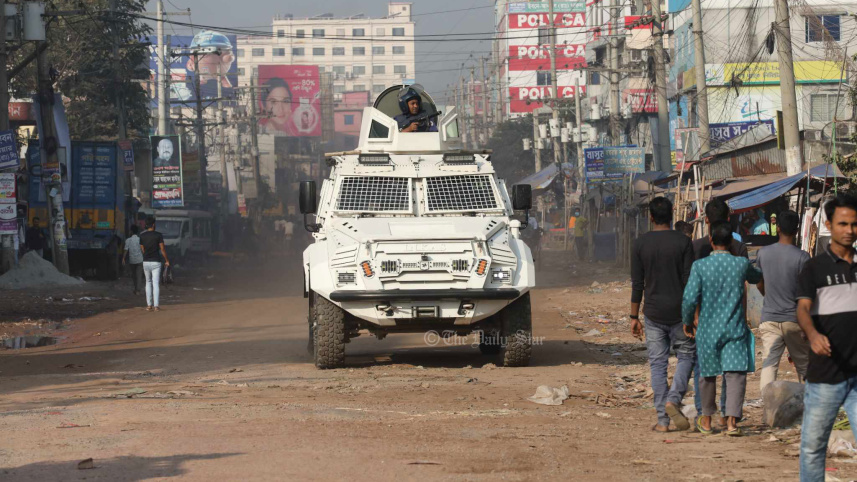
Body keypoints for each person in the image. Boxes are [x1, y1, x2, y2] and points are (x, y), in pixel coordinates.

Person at [796, 195, 857, 482]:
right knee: (812, 448)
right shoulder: (815, 268)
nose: (849, 230)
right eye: (842, 223)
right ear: (829, 225)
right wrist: (813, 334)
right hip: (826, 376)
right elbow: (803, 309)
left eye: (854, 224)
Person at [682, 221, 762, 436]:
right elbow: (757, 276)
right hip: (735, 328)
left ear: (710, 241)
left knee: (707, 375)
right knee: (735, 374)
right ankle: (731, 423)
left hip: (707, 330)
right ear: (731, 243)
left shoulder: (700, 266)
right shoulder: (740, 264)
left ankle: (707, 421)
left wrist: (688, 321)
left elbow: (690, 298)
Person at [630, 197, 696, 432]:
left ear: (651, 217)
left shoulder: (640, 244)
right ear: (672, 215)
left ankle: (662, 421)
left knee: (658, 364)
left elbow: (637, 283)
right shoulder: (684, 242)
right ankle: (673, 399)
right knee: (687, 357)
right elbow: (690, 282)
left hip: (653, 312)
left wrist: (633, 317)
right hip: (681, 312)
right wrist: (694, 313)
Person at [755, 210, 811, 393]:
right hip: (794, 319)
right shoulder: (802, 257)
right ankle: (812, 405)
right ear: (796, 230)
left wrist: (769, 295)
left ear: (777, 228)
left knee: (769, 365)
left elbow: (759, 284)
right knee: (804, 365)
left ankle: (767, 407)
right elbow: (808, 293)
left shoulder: (763, 253)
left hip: (769, 318)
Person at [139, 216, 171, 312]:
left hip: (146, 262)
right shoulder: (158, 235)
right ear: (153, 224)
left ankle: (149, 305)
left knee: (148, 282)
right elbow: (162, 249)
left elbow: (142, 249)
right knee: (155, 283)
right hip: (156, 261)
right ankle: (156, 306)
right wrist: (167, 260)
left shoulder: (142, 235)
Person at [123, 225, 144, 295]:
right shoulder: (140, 239)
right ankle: (138, 290)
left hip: (132, 261)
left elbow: (126, 250)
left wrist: (123, 258)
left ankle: (136, 289)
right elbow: (143, 250)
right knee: (139, 276)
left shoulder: (128, 240)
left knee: (134, 276)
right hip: (140, 260)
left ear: (131, 231)